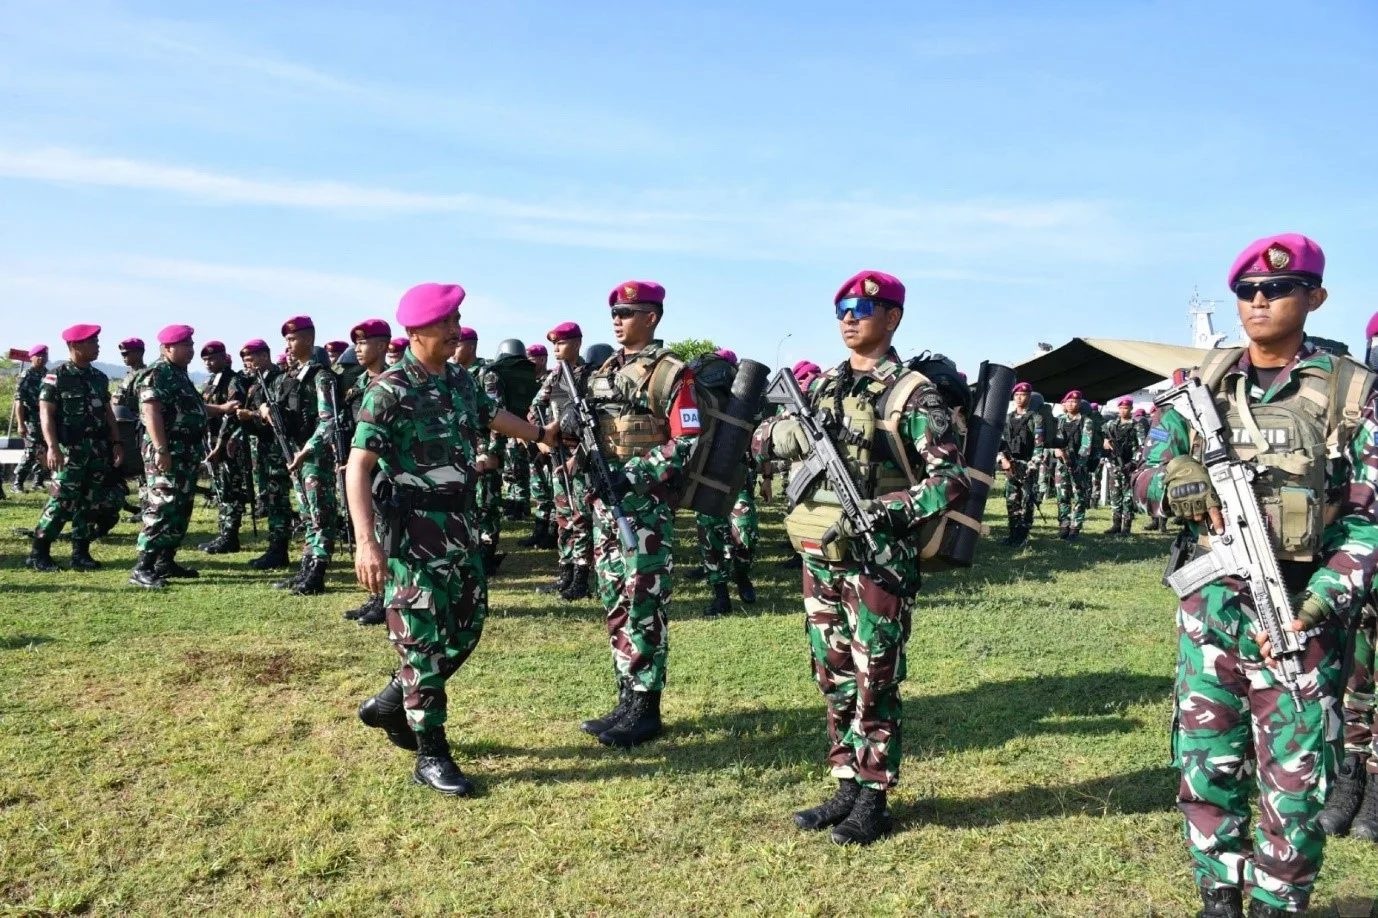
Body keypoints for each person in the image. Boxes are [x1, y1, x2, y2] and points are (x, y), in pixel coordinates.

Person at [1134, 233, 1378, 917]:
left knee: (1294, 784)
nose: (1260, 300)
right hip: (1211, 610)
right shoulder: (1202, 386)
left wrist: (1320, 603)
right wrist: (1173, 478)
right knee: (1207, 763)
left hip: (1300, 615)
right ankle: (1218, 891)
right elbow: (1146, 470)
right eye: (1248, 291)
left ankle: (1278, 903)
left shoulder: (1352, 394)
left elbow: (1368, 519)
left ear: (1314, 297)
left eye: (1278, 288)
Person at [751, 270, 969, 846]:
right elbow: (762, 444)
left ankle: (874, 797)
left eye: (862, 308)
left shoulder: (915, 393)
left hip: (876, 557)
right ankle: (845, 780)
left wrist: (883, 513)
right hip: (820, 552)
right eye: (842, 308)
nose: (849, 317)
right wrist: (780, 436)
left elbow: (948, 481)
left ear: (892, 318)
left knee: (876, 676)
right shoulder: (820, 386)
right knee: (833, 673)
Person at [348, 282, 560, 796]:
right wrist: (365, 541)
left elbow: (494, 416)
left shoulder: (460, 381)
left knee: (466, 627)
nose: (454, 329)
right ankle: (431, 755)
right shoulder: (390, 390)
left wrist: (539, 436)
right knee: (421, 641)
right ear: (415, 331)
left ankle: (394, 699)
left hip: (461, 531)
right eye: (444, 323)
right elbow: (357, 467)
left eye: (456, 319)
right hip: (413, 536)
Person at [574, 280, 702, 749]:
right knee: (615, 600)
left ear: (651, 317)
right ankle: (625, 698)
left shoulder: (670, 374)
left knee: (644, 604)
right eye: (614, 311)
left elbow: (686, 440)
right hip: (607, 508)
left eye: (627, 312)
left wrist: (635, 474)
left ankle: (646, 708)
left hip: (645, 510)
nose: (617, 319)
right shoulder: (604, 369)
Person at [24, 327, 122, 572]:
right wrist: (52, 447)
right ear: (76, 345)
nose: (98, 346)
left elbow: (108, 412)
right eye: (93, 342)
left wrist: (116, 442)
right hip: (70, 450)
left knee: (91, 502)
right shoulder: (56, 376)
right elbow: (46, 413)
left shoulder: (99, 377)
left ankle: (80, 553)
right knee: (61, 501)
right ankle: (39, 552)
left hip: (97, 449)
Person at [129, 325, 210, 588]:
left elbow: (191, 409)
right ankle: (142, 567)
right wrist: (161, 449)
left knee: (180, 508)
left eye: (191, 344)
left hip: (185, 452)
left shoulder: (179, 374)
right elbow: (151, 412)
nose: (191, 350)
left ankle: (165, 561)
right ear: (167, 348)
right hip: (167, 451)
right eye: (185, 345)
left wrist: (220, 409)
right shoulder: (157, 373)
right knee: (162, 506)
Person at [266, 316, 339, 595]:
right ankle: (306, 569)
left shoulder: (322, 376)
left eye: (293, 339)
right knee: (307, 515)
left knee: (320, 513)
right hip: (296, 453)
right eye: (286, 339)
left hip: (314, 456)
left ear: (309, 339)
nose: (288, 344)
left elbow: (328, 421)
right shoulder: (293, 377)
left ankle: (317, 574)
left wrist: (307, 449)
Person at [693, 347, 760, 617]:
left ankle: (742, 574)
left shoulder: (745, 401)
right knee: (710, 538)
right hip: (705, 474)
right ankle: (720, 594)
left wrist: (765, 476)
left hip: (737, 475)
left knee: (746, 533)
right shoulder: (699, 399)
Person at [527, 323, 592, 590]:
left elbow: (594, 423)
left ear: (577, 343)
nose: (556, 349)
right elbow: (534, 409)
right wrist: (542, 440)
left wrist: (577, 458)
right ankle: (565, 573)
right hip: (558, 454)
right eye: (553, 344)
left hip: (582, 457)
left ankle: (581, 578)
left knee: (582, 518)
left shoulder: (591, 377)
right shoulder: (553, 377)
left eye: (561, 343)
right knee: (563, 517)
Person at [340, 318, 392, 626]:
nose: (359, 348)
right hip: (362, 468)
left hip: (386, 471)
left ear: (383, 345)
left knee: (385, 535)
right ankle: (375, 597)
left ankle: (386, 598)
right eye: (357, 343)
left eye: (365, 342)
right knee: (368, 530)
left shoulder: (392, 382)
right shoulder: (357, 386)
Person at [235, 340, 294, 570]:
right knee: (271, 498)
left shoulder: (278, 380)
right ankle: (274, 547)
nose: (247, 363)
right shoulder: (257, 383)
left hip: (277, 449)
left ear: (264, 356)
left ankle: (279, 549)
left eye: (251, 358)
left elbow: (278, 415)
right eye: (245, 359)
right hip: (264, 448)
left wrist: (251, 415)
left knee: (278, 499)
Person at [198, 341, 252, 554]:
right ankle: (224, 533)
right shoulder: (211, 382)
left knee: (231, 489)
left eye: (212, 359)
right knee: (221, 489)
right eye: (205, 360)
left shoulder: (233, 381)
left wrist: (220, 444)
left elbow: (231, 416)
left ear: (223, 357)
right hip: (212, 442)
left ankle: (230, 536)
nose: (208, 363)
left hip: (228, 444)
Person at [998, 381, 1044, 547]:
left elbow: (1039, 446)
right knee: (1011, 501)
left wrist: (1031, 467)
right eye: (1016, 395)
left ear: (1029, 397)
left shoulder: (1036, 418)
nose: (1019, 398)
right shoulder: (1008, 418)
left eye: (1023, 395)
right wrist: (1003, 460)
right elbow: (1001, 442)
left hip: (1027, 464)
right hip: (1010, 464)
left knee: (1026, 501)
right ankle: (1013, 534)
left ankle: (1022, 536)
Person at [1053, 390, 1092, 540]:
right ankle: (1064, 524)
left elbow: (1086, 445)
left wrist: (1078, 463)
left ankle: (1075, 527)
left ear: (1079, 403)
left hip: (1078, 464)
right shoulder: (1060, 419)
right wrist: (1056, 450)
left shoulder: (1086, 421)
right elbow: (1054, 439)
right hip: (1061, 464)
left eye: (1074, 401)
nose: (1071, 404)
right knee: (1062, 495)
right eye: (1068, 401)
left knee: (1079, 496)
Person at [1101, 397, 1144, 535]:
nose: (1123, 410)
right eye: (1121, 408)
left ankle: (1126, 527)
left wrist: (1133, 462)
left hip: (1129, 465)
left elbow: (1141, 446)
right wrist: (1105, 441)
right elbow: (1098, 434)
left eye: (1126, 408)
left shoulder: (1137, 425)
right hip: (1114, 464)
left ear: (1131, 409)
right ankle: (1115, 524)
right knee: (1115, 494)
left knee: (1128, 496)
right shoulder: (1111, 425)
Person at [13, 344, 50, 493]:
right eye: (38, 356)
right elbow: (19, 402)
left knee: (44, 451)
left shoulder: (49, 375)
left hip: (46, 419)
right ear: (32, 358)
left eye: (44, 356)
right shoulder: (26, 376)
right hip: (32, 420)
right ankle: (18, 483)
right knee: (31, 451)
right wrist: (21, 424)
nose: (42, 359)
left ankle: (38, 481)